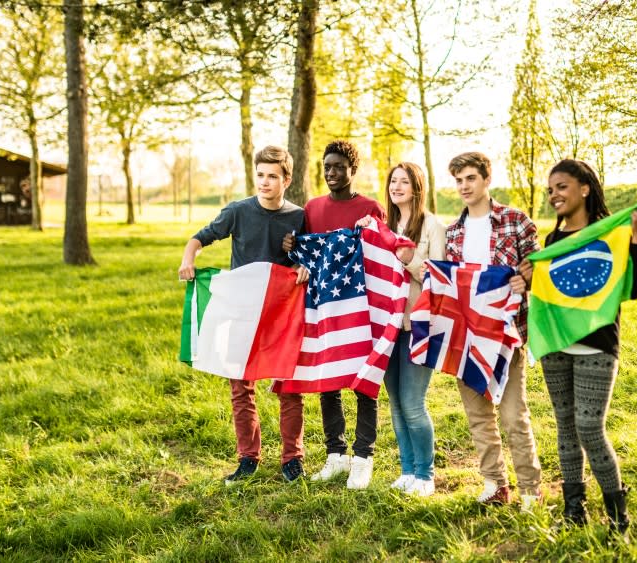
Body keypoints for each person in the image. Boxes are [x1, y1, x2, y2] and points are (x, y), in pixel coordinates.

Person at [517, 159, 637, 537]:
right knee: (565, 429)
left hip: (597, 345)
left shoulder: (609, 235)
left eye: (561, 187)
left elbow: (635, 288)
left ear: (584, 189)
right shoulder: (553, 243)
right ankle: (574, 512)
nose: (554, 195)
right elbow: (551, 293)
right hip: (558, 346)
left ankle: (618, 517)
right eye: (550, 190)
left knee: (590, 428)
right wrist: (529, 279)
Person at [178, 145, 309, 485]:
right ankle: (248, 457)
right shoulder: (238, 211)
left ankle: (292, 459)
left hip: (281, 313)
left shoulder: (298, 217)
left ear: (287, 179)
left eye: (272, 177)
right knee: (241, 386)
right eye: (260, 175)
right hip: (242, 311)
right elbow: (199, 238)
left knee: (289, 385)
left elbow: (307, 255)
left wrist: (302, 265)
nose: (264, 182)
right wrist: (187, 260)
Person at [283, 140, 401, 490]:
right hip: (324, 306)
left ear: (353, 170)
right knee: (328, 381)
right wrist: (292, 248)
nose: (331, 173)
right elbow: (305, 254)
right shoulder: (313, 208)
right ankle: (336, 455)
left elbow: (381, 252)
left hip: (361, 307)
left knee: (364, 383)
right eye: (326, 167)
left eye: (337, 167)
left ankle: (363, 458)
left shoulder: (370, 208)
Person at [444, 151, 543, 509]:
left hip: (506, 335)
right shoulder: (454, 233)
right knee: (478, 416)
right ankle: (494, 484)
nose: (464, 186)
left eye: (470, 178)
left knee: (514, 415)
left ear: (487, 179)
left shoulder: (516, 221)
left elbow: (538, 266)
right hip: (466, 338)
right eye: (458, 180)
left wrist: (525, 279)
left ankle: (531, 489)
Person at [368, 163, 445, 497]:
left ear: (417, 187)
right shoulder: (382, 225)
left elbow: (439, 281)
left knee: (414, 404)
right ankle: (407, 470)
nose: (396, 187)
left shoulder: (432, 226)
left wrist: (410, 259)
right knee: (396, 403)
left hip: (418, 326)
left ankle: (426, 475)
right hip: (386, 327)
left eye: (404, 182)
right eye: (392, 181)